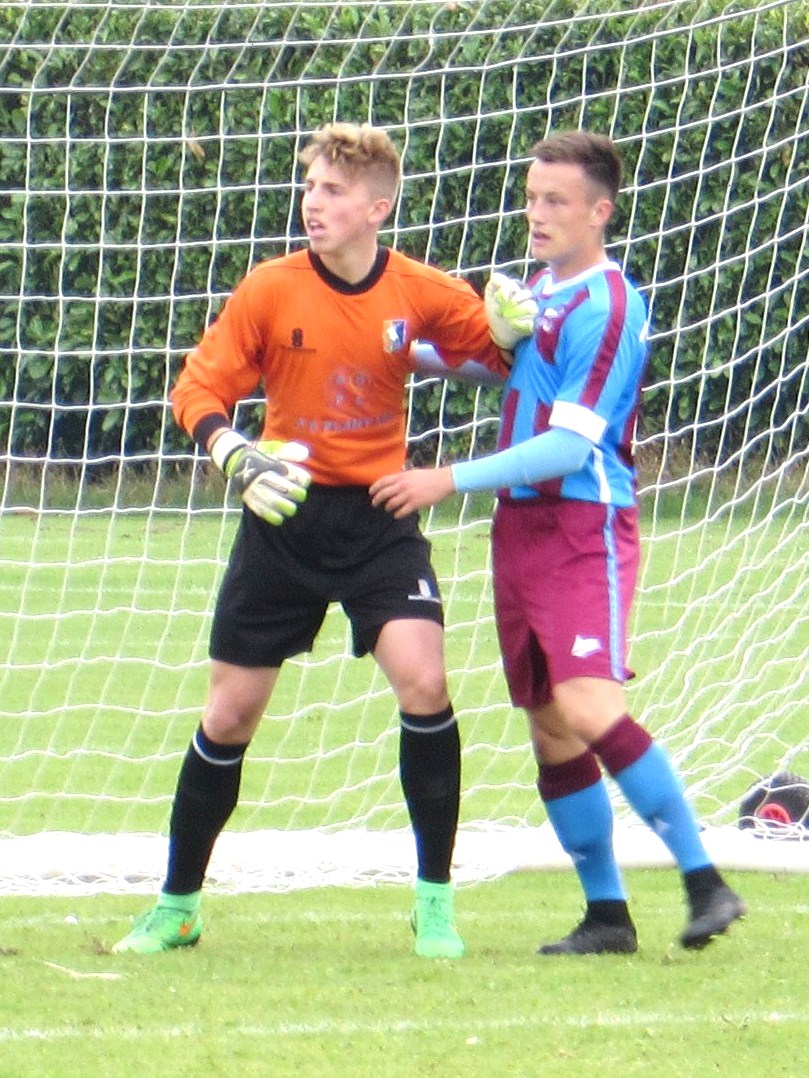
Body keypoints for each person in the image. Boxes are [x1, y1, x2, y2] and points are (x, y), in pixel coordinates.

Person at [112, 122, 511, 959]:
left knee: (425, 682)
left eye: (332, 190)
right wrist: (235, 452)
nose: (313, 203)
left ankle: (433, 904)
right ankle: (178, 903)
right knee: (228, 714)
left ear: (378, 206)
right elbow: (200, 385)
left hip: (378, 520)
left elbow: (496, 350)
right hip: (283, 518)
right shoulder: (269, 288)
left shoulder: (420, 290)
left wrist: (515, 328)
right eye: (310, 187)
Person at [371, 130, 745, 954]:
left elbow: (572, 446)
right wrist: (410, 352)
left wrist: (446, 478)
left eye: (555, 202)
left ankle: (704, 881)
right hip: (520, 531)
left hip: (583, 527)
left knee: (585, 702)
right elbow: (508, 374)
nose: (536, 214)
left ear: (598, 212)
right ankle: (605, 914)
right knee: (549, 724)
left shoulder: (610, 305)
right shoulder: (539, 291)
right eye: (532, 197)